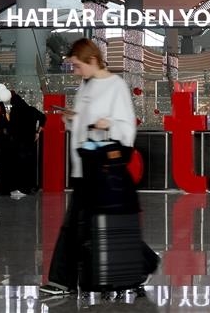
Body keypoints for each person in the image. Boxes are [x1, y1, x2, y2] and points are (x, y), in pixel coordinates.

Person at [40, 38, 158, 296]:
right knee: (89, 224)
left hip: (101, 168)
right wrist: (73, 119)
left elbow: (126, 126)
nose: (75, 71)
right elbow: (85, 123)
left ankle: (63, 281)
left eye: (77, 65)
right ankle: (143, 264)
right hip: (84, 165)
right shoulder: (87, 85)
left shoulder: (116, 85)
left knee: (80, 224)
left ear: (92, 60)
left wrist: (109, 124)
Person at [3, 91, 46, 197]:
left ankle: (19, 186)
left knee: (18, 166)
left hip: (17, 144)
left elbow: (11, 128)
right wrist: (38, 132)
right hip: (29, 142)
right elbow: (43, 118)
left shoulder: (14, 112)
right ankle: (29, 187)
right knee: (29, 165)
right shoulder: (31, 110)